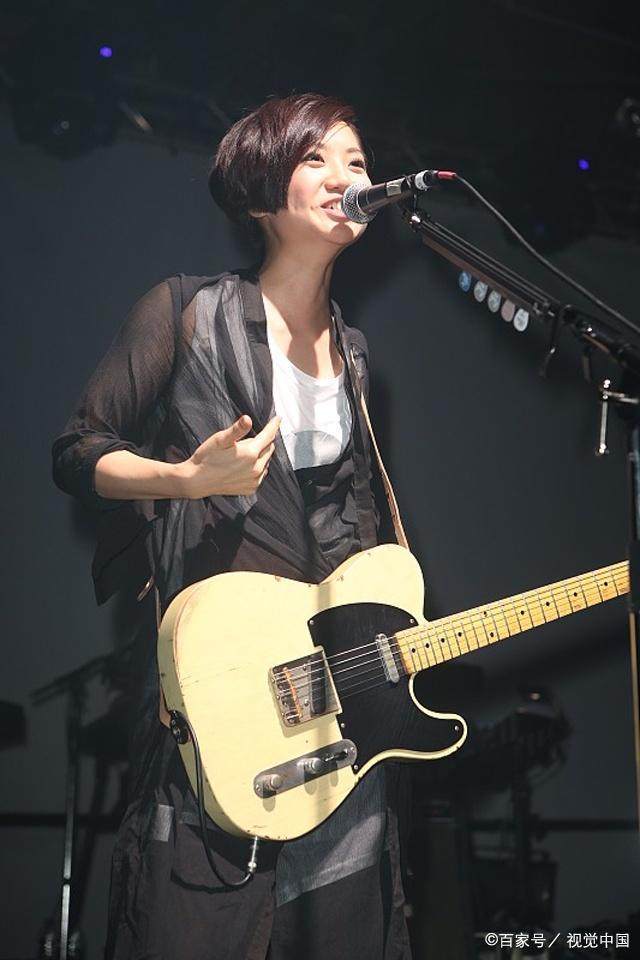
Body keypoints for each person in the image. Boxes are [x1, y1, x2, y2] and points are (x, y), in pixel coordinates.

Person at [52, 92, 412, 960]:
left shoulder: (357, 356)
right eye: (316, 158)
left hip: (328, 707)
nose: (346, 176)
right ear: (260, 191)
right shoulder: (186, 310)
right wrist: (184, 479)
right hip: (219, 689)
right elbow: (77, 451)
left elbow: (361, 534)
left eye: (358, 162)